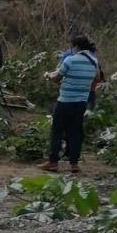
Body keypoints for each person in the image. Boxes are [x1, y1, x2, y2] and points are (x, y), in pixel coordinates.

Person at [38, 35, 100, 173]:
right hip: (81, 102)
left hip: (65, 101)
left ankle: (53, 162)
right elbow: (96, 78)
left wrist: (48, 75)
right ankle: (74, 164)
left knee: (57, 131)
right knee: (74, 132)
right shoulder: (93, 62)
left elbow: (57, 77)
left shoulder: (70, 60)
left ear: (76, 47)